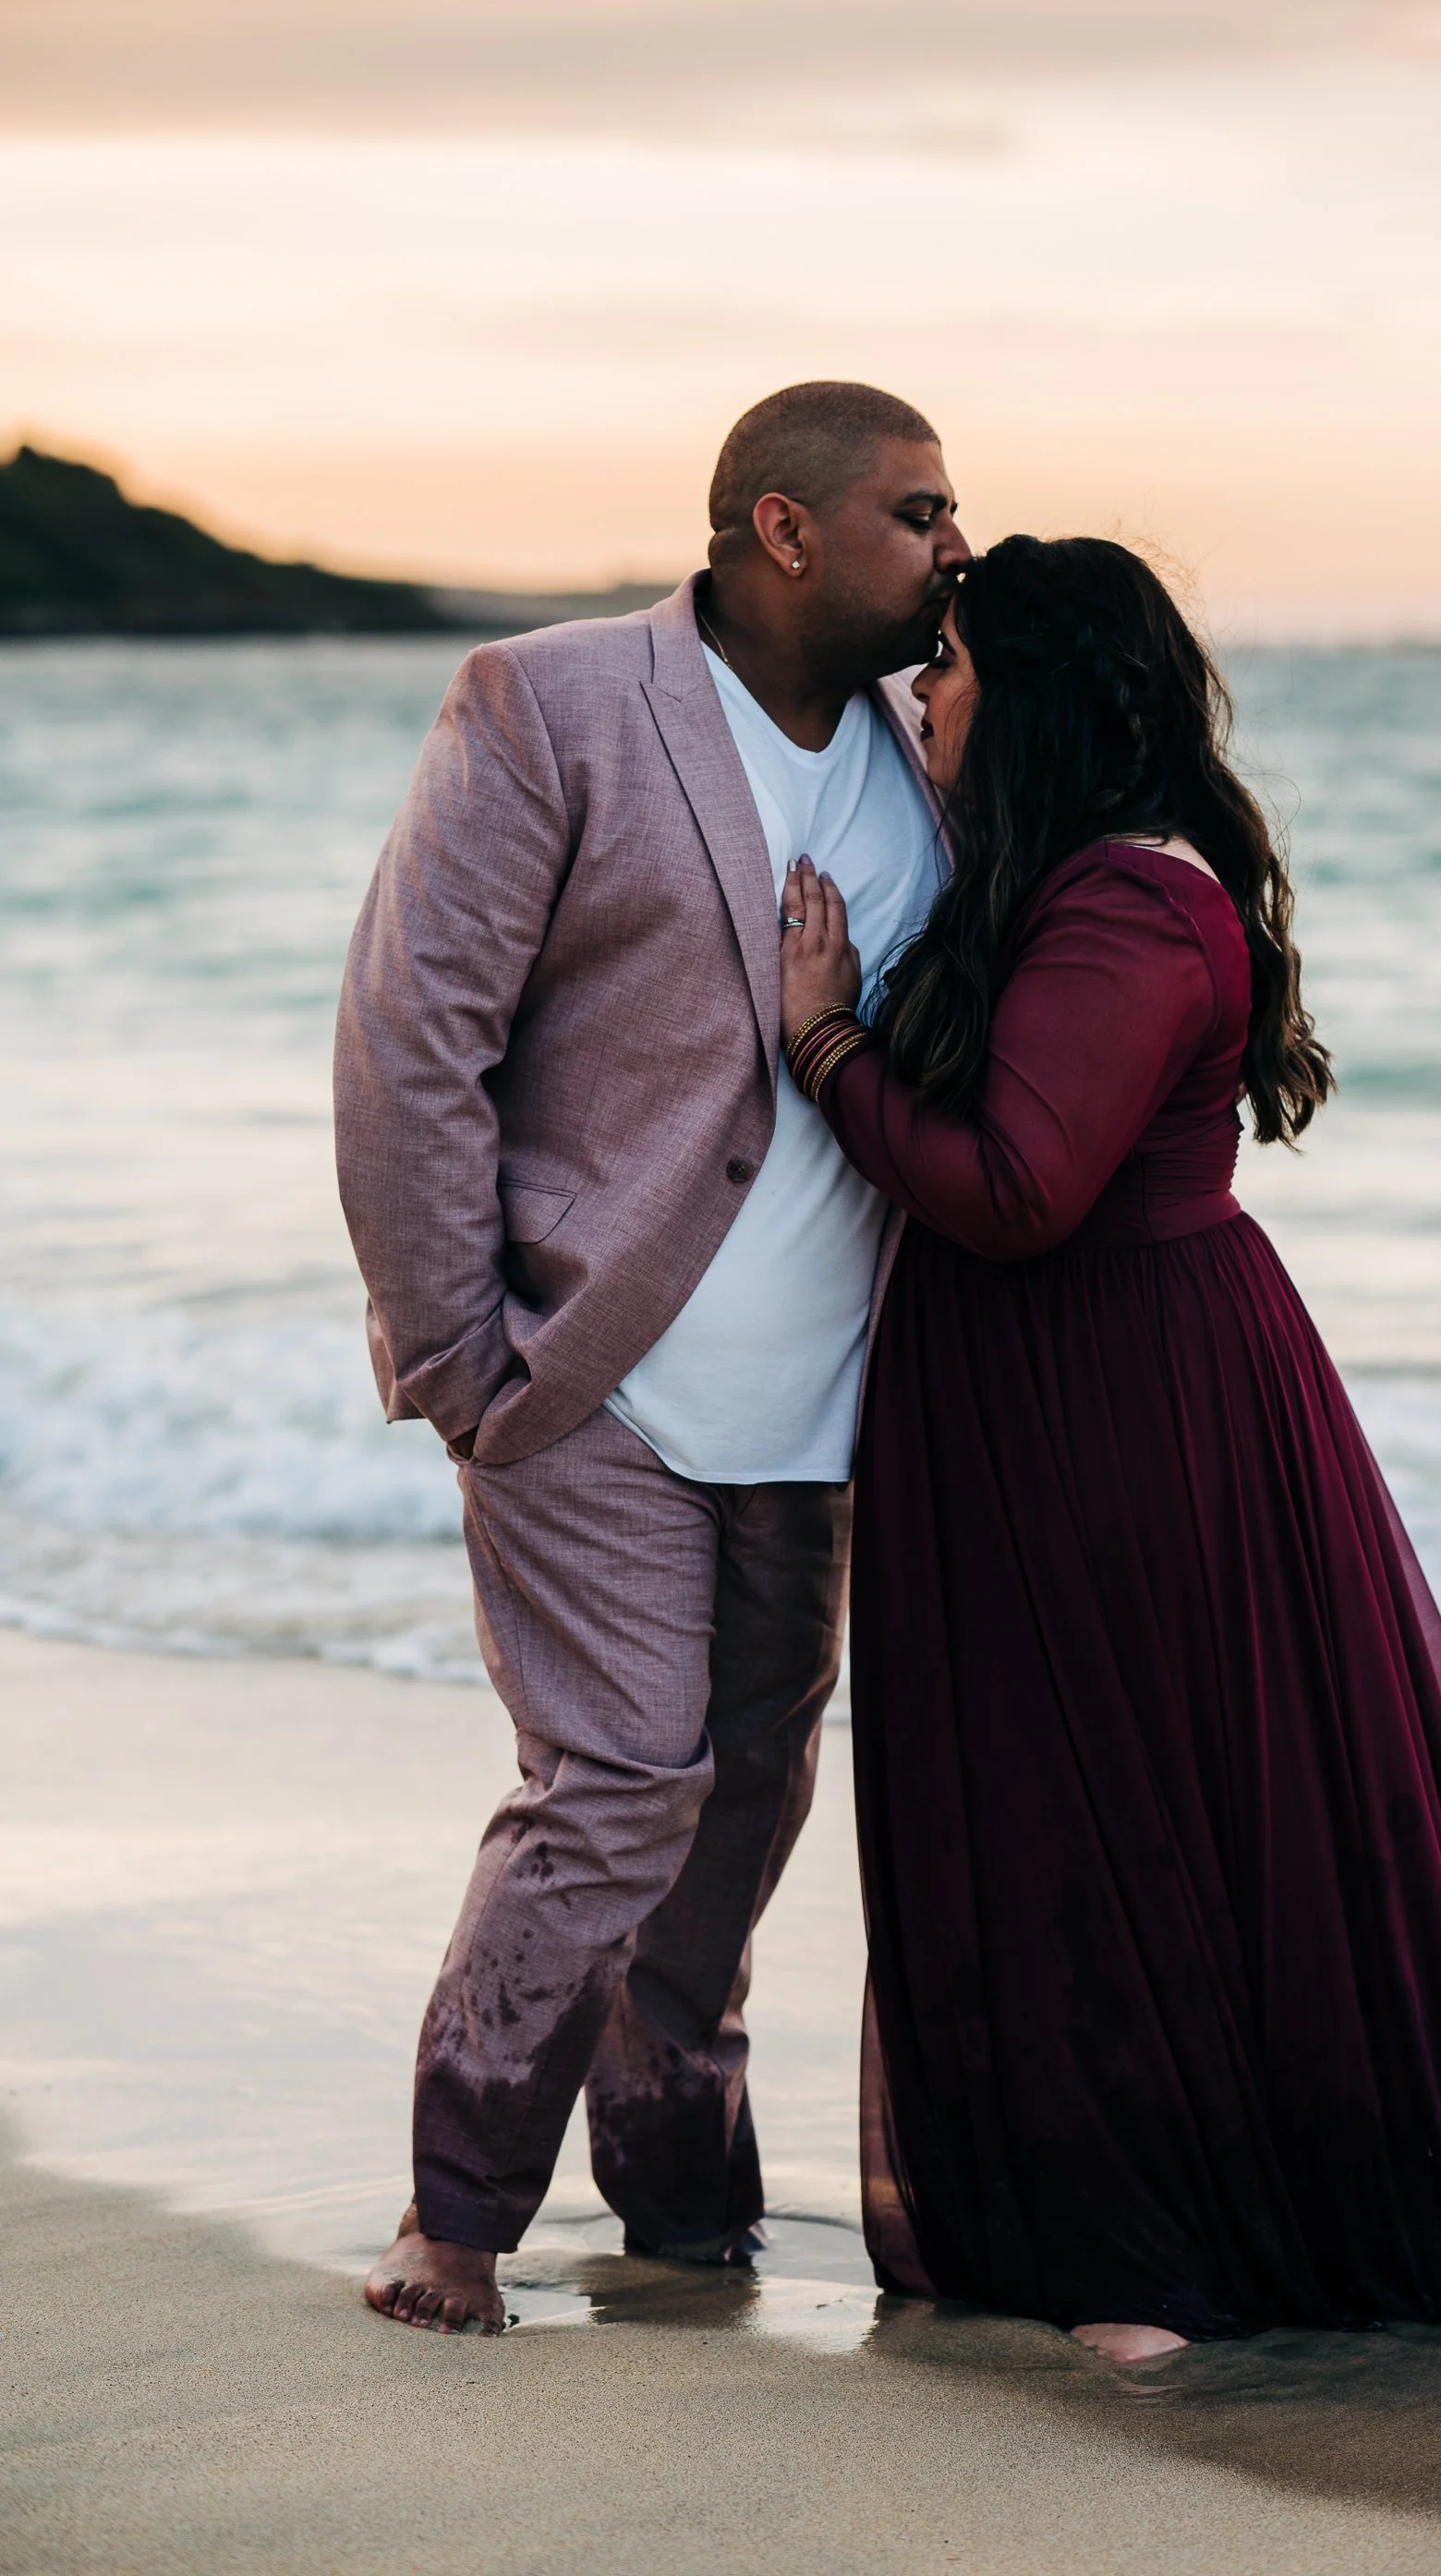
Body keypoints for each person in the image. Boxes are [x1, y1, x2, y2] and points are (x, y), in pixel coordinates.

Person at [776, 533, 1441, 2363]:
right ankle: (1113, 2226)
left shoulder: (1132, 905)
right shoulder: (1071, 879)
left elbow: (1014, 1187)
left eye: (950, 667)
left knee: (1108, 1793)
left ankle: (1149, 2259)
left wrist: (827, 1040)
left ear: (1040, 697)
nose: (923, 694)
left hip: (1113, 1401)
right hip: (1054, 1391)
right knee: (1076, 1788)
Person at [335, 381, 968, 2333]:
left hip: (827, 1400)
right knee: (619, 1781)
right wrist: (464, 1348)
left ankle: (683, 2194)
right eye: (916, 510)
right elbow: (409, 1030)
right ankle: (455, 2210)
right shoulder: (551, 701)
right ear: (783, 530)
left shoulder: (920, 754)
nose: (955, 542)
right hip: (589, 1366)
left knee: (745, 1805)